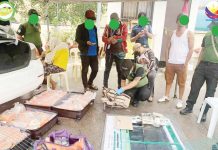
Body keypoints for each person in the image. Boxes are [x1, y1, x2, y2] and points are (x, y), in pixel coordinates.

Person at [180, 21, 218, 122]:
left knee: (210, 90)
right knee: (194, 87)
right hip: (202, 65)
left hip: (215, 67)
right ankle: (189, 107)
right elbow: (203, 49)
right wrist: (197, 64)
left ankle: (204, 112)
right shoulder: (207, 34)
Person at [158, 13, 194, 109]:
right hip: (171, 62)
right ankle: (166, 96)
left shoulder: (189, 33)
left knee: (181, 83)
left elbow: (191, 49)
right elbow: (167, 48)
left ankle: (180, 100)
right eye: (179, 19)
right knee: (168, 80)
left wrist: (186, 63)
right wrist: (166, 61)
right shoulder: (172, 33)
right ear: (177, 21)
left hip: (182, 63)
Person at [102, 12, 128, 88]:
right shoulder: (107, 26)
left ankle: (120, 88)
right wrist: (109, 39)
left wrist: (116, 39)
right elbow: (103, 38)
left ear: (118, 19)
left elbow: (124, 37)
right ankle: (105, 87)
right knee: (107, 69)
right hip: (109, 52)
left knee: (120, 70)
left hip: (120, 51)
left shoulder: (123, 26)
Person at [75, 10, 99, 92]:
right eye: (89, 19)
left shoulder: (94, 27)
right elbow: (77, 39)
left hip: (94, 52)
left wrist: (97, 50)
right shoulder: (80, 27)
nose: (91, 21)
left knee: (95, 69)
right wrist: (86, 42)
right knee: (85, 70)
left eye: (92, 19)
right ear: (85, 18)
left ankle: (90, 83)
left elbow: (96, 39)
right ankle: (86, 87)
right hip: (85, 52)